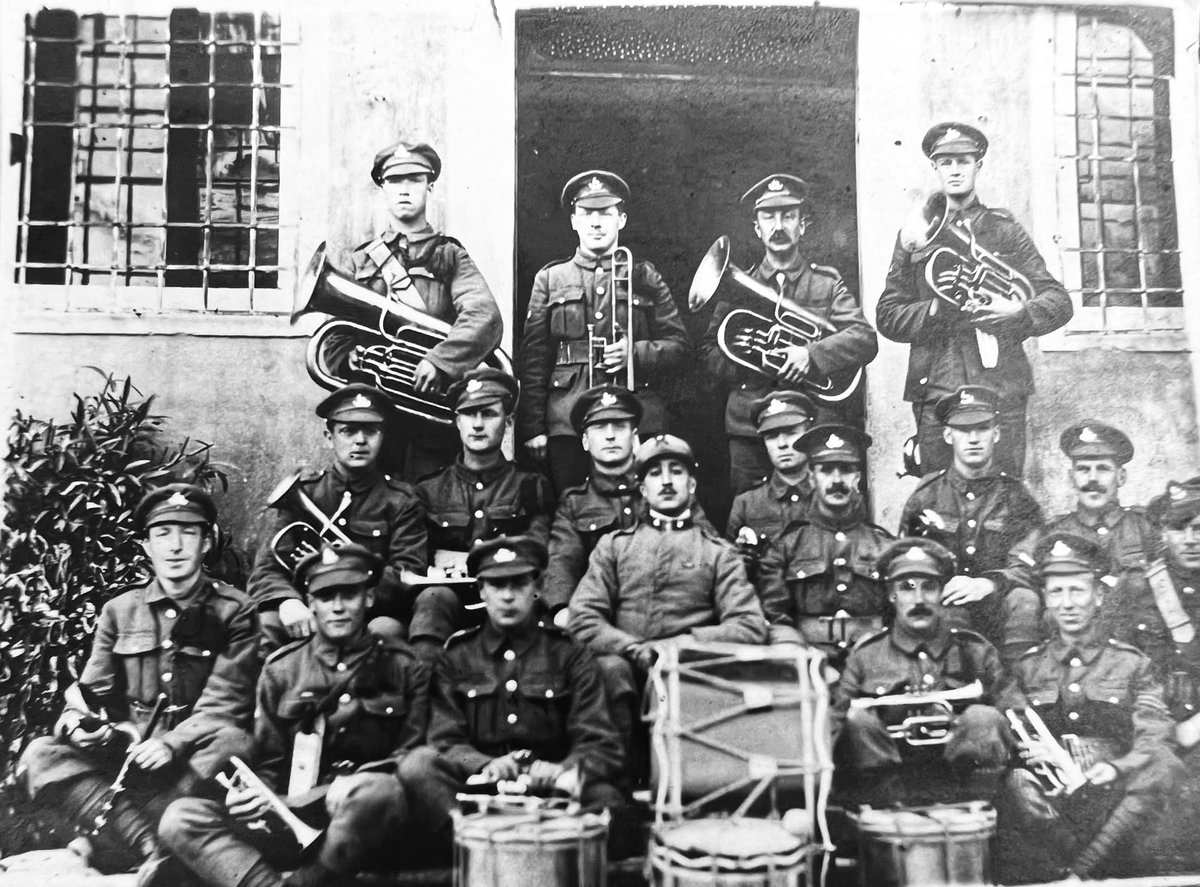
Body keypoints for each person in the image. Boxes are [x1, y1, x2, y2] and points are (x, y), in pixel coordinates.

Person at [154, 545, 431, 887]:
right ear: (310, 602)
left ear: (370, 597)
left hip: (363, 821)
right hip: (293, 817)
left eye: (350, 594)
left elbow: (408, 759)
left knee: (379, 791)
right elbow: (269, 761)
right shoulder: (282, 669)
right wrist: (250, 797)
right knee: (181, 818)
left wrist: (336, 791)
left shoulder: (404, 666)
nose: (338, 606)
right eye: (326, 596)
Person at [18, 484, 257, 873]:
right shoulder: (119, 611)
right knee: (42, 754)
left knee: (234, 743)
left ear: (206, 542)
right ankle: (152, 848)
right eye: (163, 534)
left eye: (188, 533)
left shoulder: (235, 610)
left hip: (191, 762)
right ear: (146, 545)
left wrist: (172, 744)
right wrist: (81, 728)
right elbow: (90, 695)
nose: (175, 546)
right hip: (129, 757)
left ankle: (120, 840)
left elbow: (226, 701)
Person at [398, 535, 625, 860]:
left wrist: (560, 770)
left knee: (610, 806)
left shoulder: (568, 654)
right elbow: (445, 742)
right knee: (418, 767)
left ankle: (544, 858)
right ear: (480, 591)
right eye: (496, 584)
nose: (507, 596)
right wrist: (486, 765)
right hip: (480, 788)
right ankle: (480, 853)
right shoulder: (457, 656)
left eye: (518, 584)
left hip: (552, 788)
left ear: (536, 587)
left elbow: (599, 740)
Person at [877, 122, 1072, 478]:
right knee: (938, 496)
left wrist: (1020, 312)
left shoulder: (1004, 230)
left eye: (963, 161)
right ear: (934, 167)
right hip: (936, 387)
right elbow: (887, 315)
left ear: (978, 166)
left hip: (1000, 388)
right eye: (945, 162)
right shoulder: (915, 234)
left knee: (1004, 497)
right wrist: (934, 309)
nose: (954, 169)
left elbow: (1058, 301)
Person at [569, 434, 768, 772]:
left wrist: (681, 646)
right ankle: (620, 781)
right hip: (626, 669)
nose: (666, 481)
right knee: (609, 670)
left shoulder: (718, 553)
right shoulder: (614, 547)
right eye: (654, 474)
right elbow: (583, 618)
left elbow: (748, 625)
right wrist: (632, 649)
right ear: (642, 489)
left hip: (687, 671)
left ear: (691, 484)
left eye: (675, 471)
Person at [1000, 531, 1183, 881]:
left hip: (1112, 805)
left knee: (1163, 764)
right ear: (1044, 598)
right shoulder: (1026, 668)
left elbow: (1154, 735)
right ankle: (1073, 866)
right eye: (1056, 591)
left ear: (1098, 595)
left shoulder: (1131, 664)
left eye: (1077, 590)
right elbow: (1011, 734)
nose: (1067, 603)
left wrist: (1116, 767)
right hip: (1050, 807)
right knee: (1014, 781)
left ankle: (1080, 870)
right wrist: (1031, 751)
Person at [322, 140, 503, 478]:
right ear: (382, 188)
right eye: (395, 181)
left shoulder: (449, 255)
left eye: (414, 180)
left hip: (430, 420)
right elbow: (334, 337)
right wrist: (345, 356)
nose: (404, 190)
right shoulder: (361, 260)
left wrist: (440, 361)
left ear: (429, 186)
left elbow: (484, 316)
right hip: (373, 417)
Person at [700, 173, 877, 494]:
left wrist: (809, 354)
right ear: (757, 227)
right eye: (768, 216)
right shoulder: (736, 288)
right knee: (752, 517)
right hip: (750, 427)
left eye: (788, 215)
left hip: (810, 424)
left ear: (803, 224)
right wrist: (754, 357)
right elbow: (711, 354)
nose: (778, 225)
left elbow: (864, 338)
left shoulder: (826, 283)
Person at [517, 169, 689, 494]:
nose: (596, 223)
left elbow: (680, 348)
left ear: (621, 219)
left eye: (606, 213)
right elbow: (534, 360)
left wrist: (634, 354)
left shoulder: (645, 277)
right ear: (573, 221)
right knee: (571, 506)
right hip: (567, 419)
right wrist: (532, 427)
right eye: (586, 213)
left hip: (636, 418)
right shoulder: (550, 279)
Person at [834, 537, 1020, 808]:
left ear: (941, 593)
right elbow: (837, 723)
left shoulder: (975, 650)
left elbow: (1015, 714)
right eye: (907, 588)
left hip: (963, 793)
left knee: (985, 716)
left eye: (929, 587)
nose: (919, 599)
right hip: (886, 793)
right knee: (856, 719)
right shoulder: (865, 656)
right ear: (891, 594)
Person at [247, 383, 427, 651]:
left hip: (371, 612)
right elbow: (266, 568)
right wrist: (288, 601)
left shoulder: (401, 500)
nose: (360, 441)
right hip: (311, 607)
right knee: (268, 623)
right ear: (329, 438)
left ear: (383, 436)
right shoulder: (304, 494)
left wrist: (352, 574)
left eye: (371, 431)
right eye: (348, 431)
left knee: (385, 631)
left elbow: (407, 574)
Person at [413, 368, 555, 655]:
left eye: (489, 414)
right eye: (469, 414)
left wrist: (465, 560)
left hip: (510, 596)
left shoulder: (531, 485)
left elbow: (537, 551)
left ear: (509, 421)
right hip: (449, 601)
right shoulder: (429, 489)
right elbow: (418, 558)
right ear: (457, 421)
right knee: (431, 601)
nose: (478, 424)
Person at [898, 384, 1043, 652]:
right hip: (946, 604)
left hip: (998, 602)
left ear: (996, 434)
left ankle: (1023, 683)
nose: (973, 438)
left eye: (983, 428)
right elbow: (906, 563)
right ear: (948, 435)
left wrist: (988, 583)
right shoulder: (926, 497)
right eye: (964, 430)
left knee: (1025, 599)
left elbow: (1028, 565)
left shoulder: (1016, 496)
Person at [999, 421, 1156, 652]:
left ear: (1121, 477)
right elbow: (1019, 567)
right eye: (1084, 469)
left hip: (1134, 646)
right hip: (1065, 647)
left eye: (1103, 469)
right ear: (1071, 477)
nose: (1093, 479)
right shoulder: (1051, 531)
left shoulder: (1146, 528)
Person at [756, 424, 894, 653]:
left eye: (846, 470)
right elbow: (775, 616)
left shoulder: (885, 546)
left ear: (857, 478)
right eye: (827, 470)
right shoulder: (786, 547)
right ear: (811, 478)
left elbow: (898, 616)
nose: (837, 480)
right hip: (809, 660)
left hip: (874, 662)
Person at [543, 385, 644, 626]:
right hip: (601, 617)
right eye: (599, 428)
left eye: (619, 427)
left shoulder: (661, 491)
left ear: (635, 437)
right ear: (586, 441)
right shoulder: (574, 503)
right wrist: (562, 609)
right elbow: (562, 561)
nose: (610, 435)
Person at [725, 391, 817, 581]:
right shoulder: (746, 504)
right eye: (772, 436)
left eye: (791, 433)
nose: (782, 444)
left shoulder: (828, 496)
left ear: (809, 434)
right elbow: (733, 577)